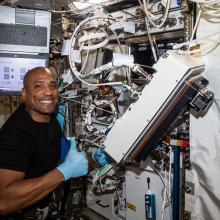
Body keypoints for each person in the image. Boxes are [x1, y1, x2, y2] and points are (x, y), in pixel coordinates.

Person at [0, 67, 88, 219]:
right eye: (38, 85)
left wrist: (97, 158)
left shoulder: (50, 118)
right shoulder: (16, 134)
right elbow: (4, 202)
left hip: (43, 207)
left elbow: (46, 159)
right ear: (24, 94)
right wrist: (63, 172)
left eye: (52, 85)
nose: (48, 92)